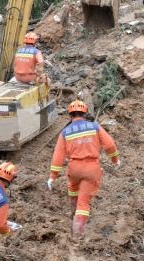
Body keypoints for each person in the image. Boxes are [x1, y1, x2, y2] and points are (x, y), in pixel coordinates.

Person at [47, 100, 120, 237]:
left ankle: (72, 216)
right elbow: (110, 145)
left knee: (73, 190)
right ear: (85, 114)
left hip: (74, 169)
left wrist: (52, 176)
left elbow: (58, 157)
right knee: (83, 203)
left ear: (70, 115)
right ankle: (77, 236)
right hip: (91, 168)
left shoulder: (65, 132)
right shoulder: (95, 127)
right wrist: (115, 160)